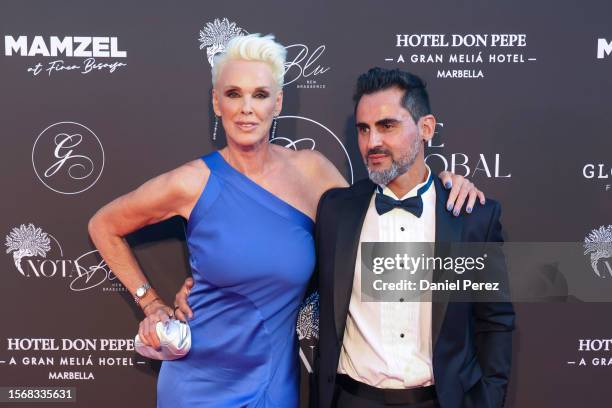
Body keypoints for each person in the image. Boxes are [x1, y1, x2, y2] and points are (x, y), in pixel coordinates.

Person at [89, 34, 484, 407]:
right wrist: (153, 303)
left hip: (276, 383)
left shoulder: (312, 172)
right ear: (216, 102)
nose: (247, 108)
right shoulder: (191, 182)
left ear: (277, 103)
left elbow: (373, 212)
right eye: (233, 94)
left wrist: (442, 183)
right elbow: (103, 225)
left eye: (260, 95)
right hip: (198, 382)